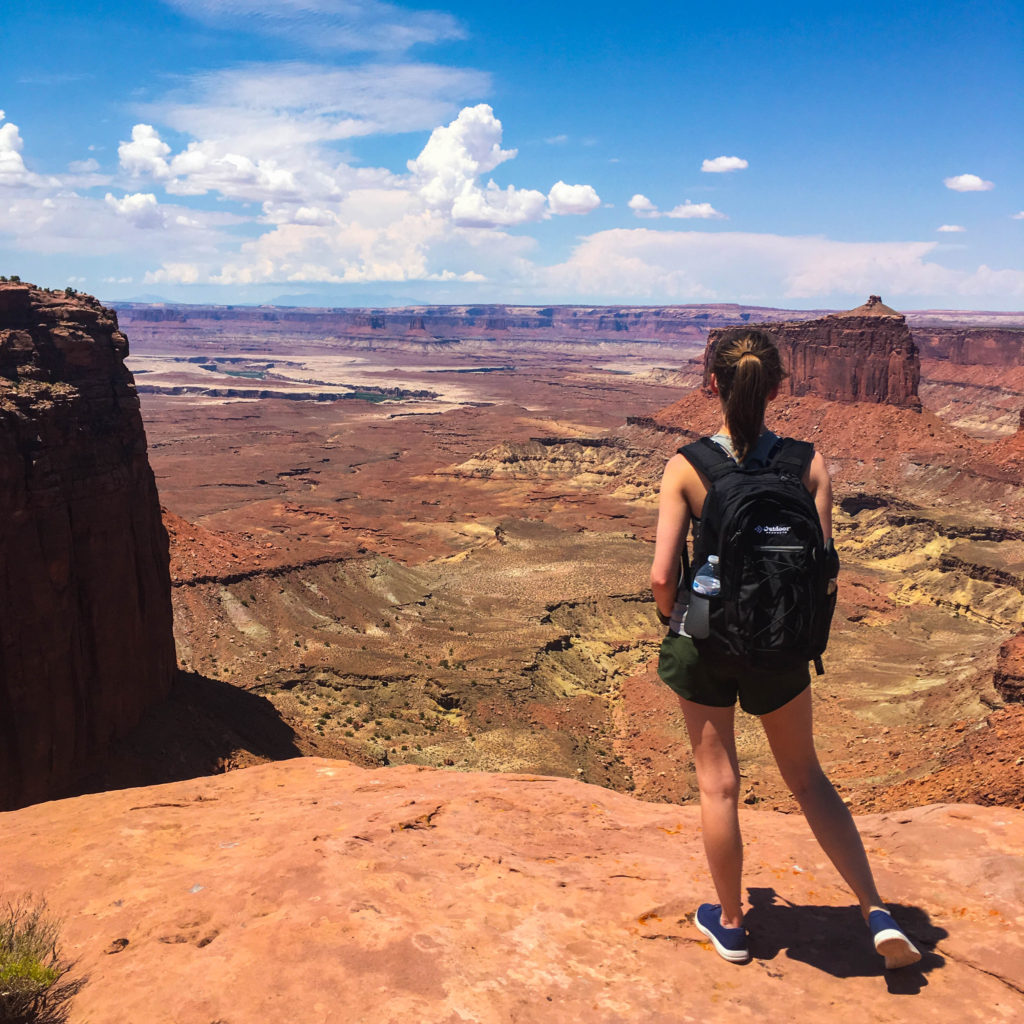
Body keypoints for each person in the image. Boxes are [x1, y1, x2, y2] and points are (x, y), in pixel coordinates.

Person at [650, 327, 921, 970]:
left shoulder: (687, 465)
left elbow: (663, 576)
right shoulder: (810, 463)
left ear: (710, 383)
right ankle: (875, 912)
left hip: (707, 640)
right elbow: (824, 566)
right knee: (807, 778)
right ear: (778, 386)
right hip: (782, 647)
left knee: (719, 786)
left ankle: (734, 925)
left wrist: (681, 619)